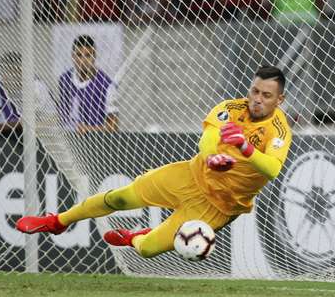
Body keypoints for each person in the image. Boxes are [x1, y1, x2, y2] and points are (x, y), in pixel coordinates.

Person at [16, 65, 292, 259]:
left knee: (147, 249)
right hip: (190, 176)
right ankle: (57, 221)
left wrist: (243, 147)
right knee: (121, 198)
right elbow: (207, 138)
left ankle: (135, 237)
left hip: (219, 207)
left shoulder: (278, 130)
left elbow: (273, 168)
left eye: (266, 96)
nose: (256, 100)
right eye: (254, 91)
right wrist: (211, 157)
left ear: (279, 100)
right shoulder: (232, 108)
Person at [58, 34, 119, 133]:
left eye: (87, 55)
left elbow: (113, 126)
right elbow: (61, 114)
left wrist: (89, 129)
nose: (83, 60)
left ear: (94, 56)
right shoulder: (64, 80)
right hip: (66, 139)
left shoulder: (107, 85)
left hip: (94, 142)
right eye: (79, 55)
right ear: (73, 56)